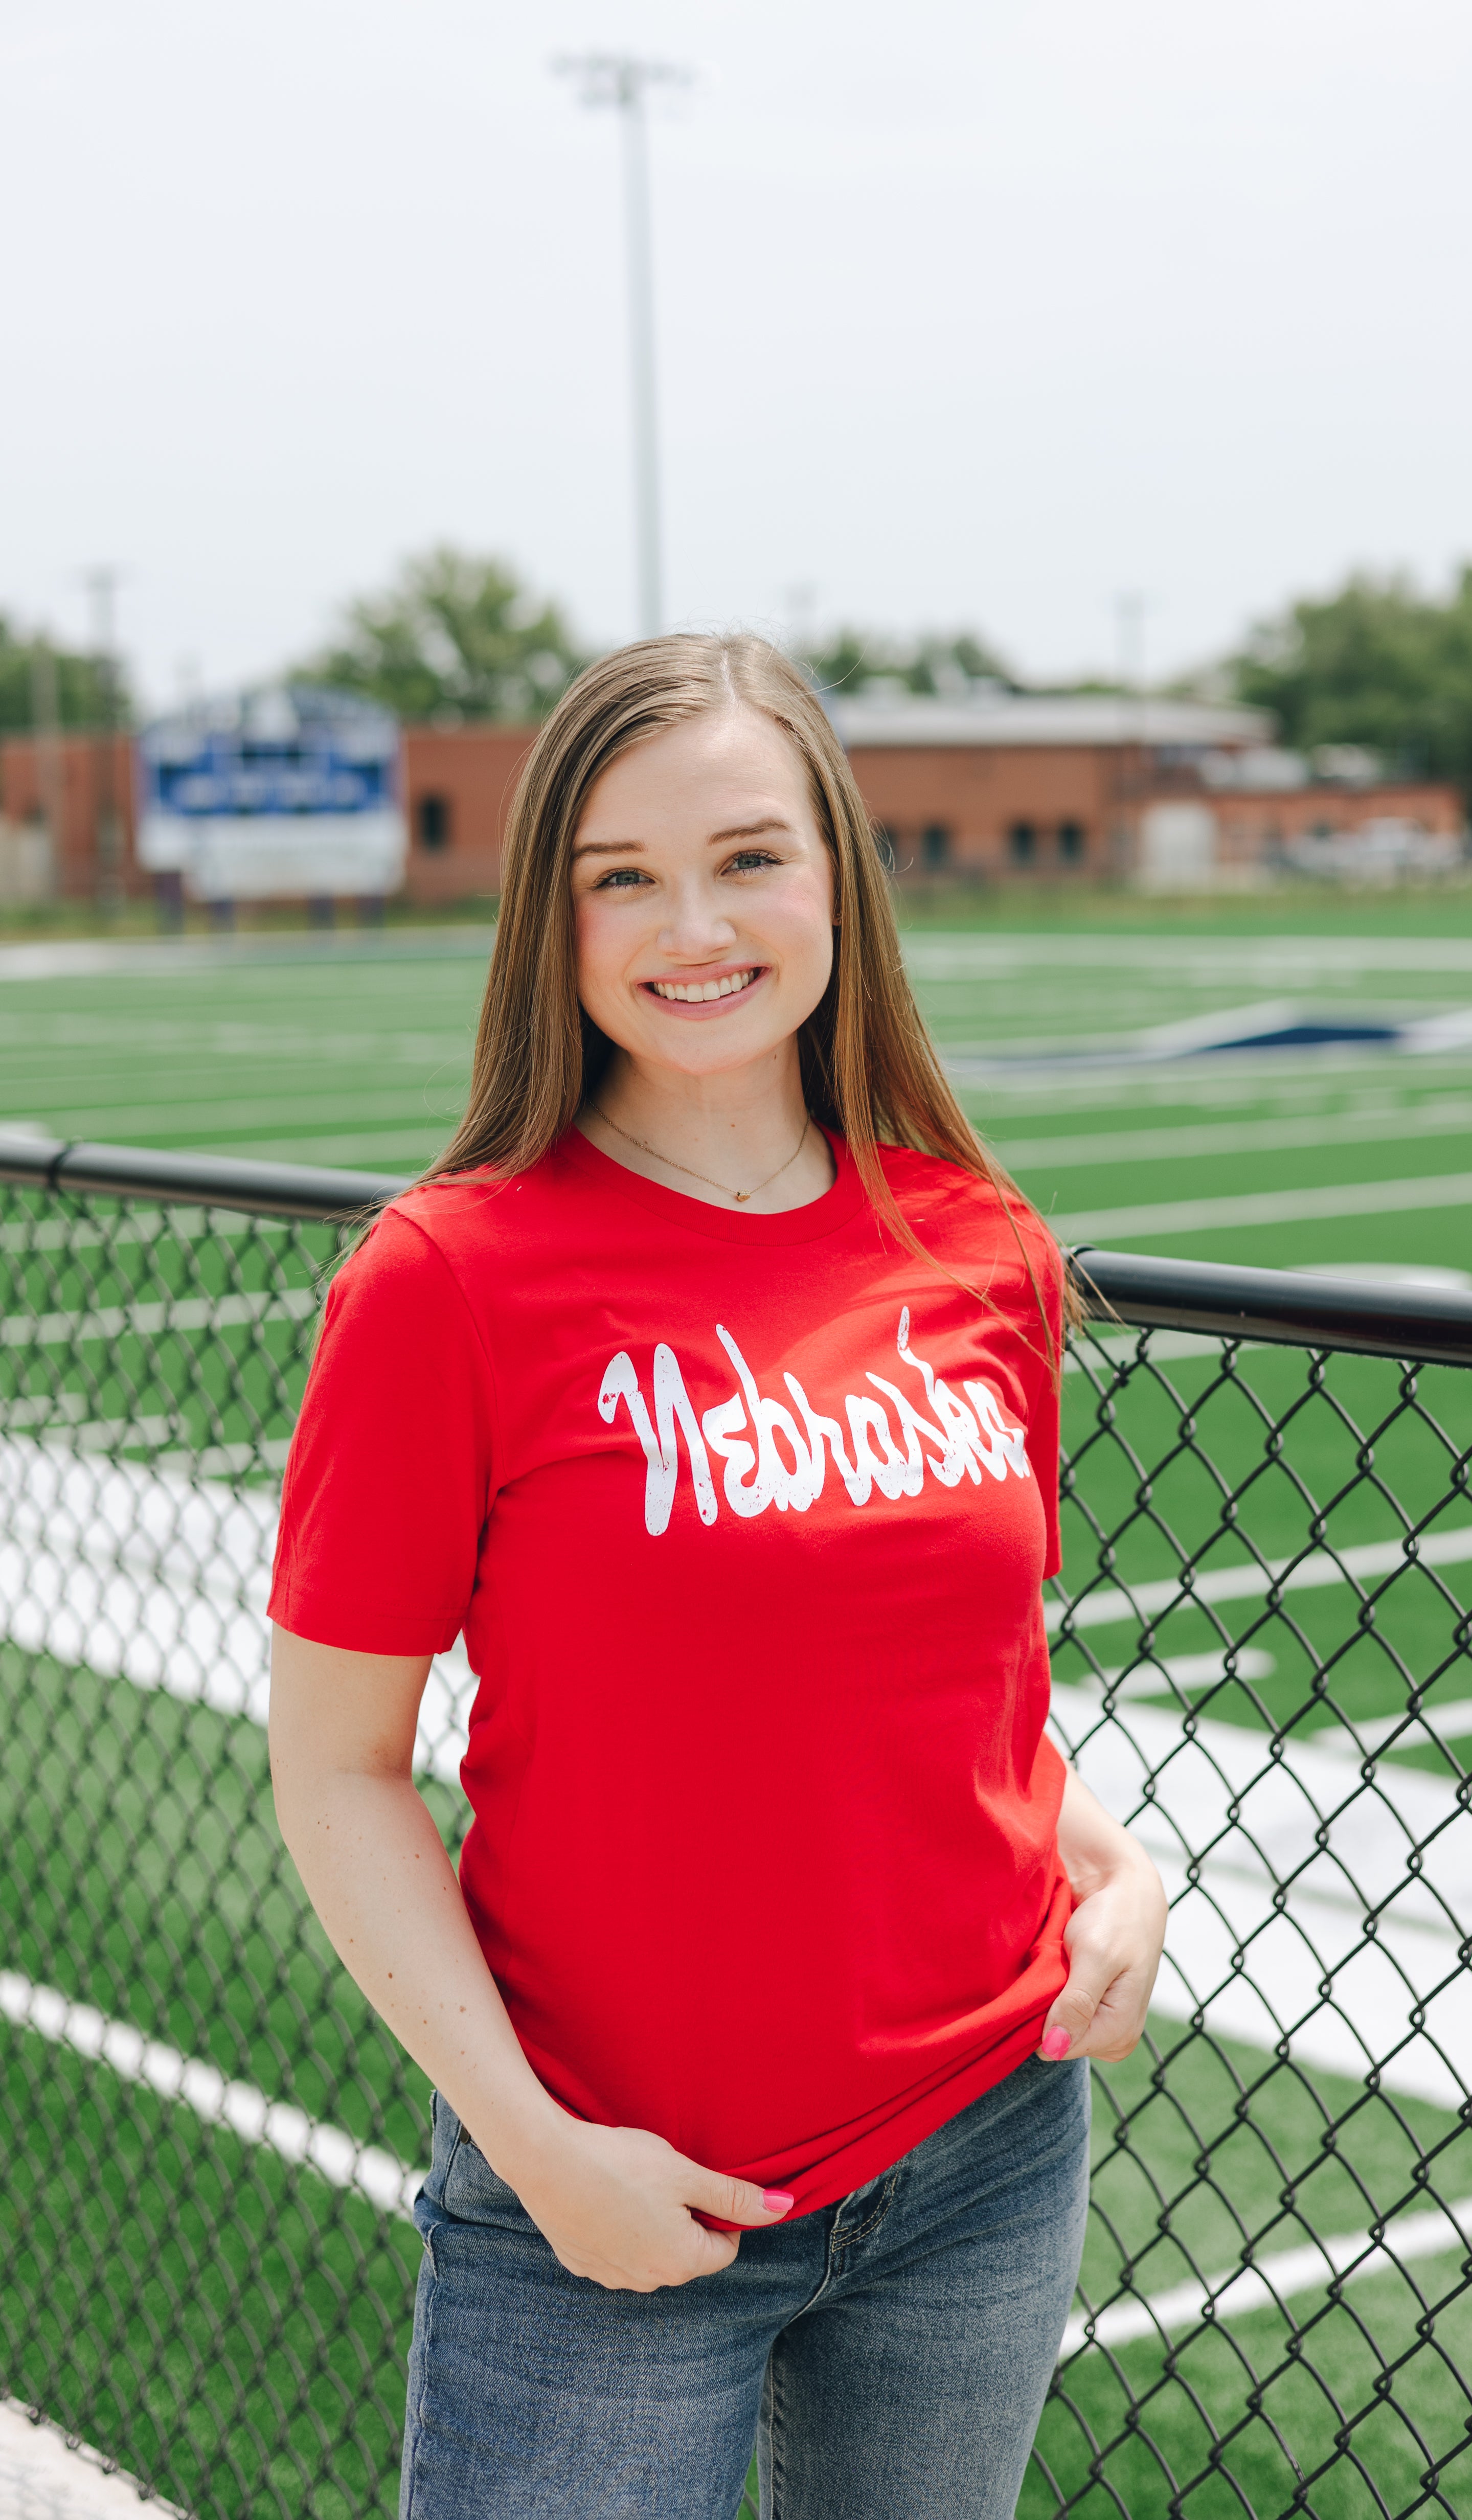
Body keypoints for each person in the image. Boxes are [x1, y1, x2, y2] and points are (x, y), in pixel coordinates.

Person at [267, 633, 1166, 2520]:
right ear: (555, 917)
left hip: (989, 2149)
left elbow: (956, 1699)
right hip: (603, 2183)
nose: (696, 921)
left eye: (750, 856)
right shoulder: (447, 1279)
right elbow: (337, 1766)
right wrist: (536, 2147)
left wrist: (1116, 1865)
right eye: (625, 875)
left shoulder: (984, 1247)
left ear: (838, 873)